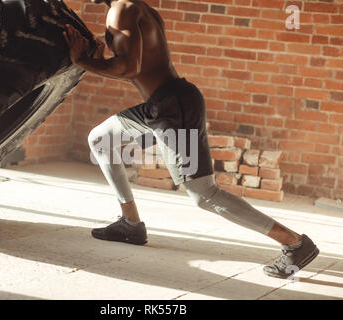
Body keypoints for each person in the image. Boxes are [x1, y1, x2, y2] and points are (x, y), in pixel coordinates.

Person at [63, 0, 319, 279]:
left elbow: (128, 69)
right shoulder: (135, 8)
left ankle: (295, 243)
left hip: (174, 107)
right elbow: (140, 66)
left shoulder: (122, 9)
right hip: (160, 105)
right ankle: (130, 224)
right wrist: (99, 60)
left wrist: (84, 61)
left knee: (204, 196)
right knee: (101, 139)